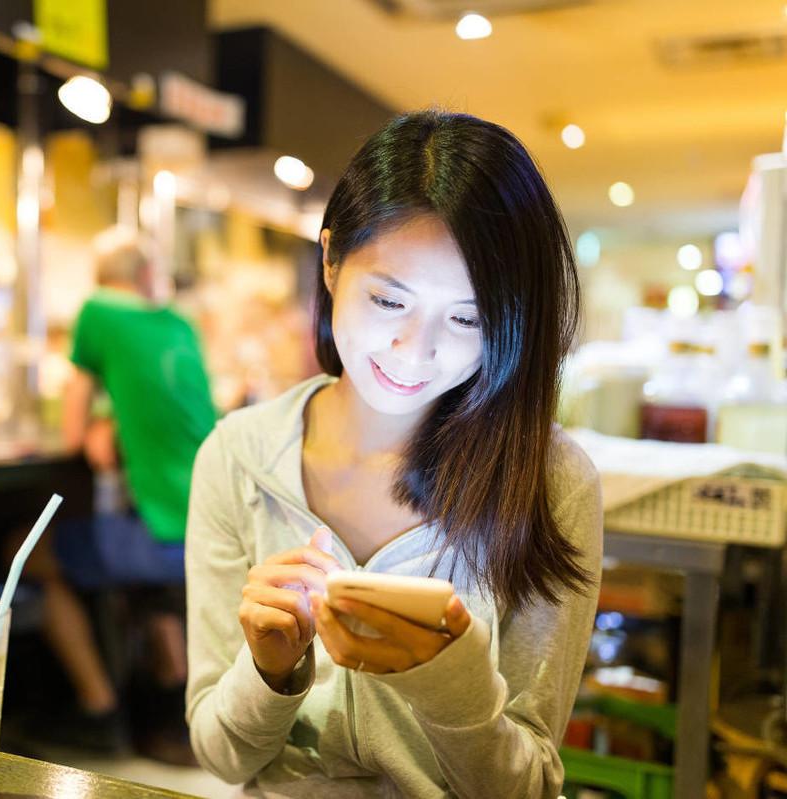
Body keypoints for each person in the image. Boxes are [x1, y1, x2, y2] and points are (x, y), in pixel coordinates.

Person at [185, 110, 603, 798]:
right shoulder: (239, 456)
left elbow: (527, 787)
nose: (416, 349)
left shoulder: (550, 481)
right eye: (388, 299)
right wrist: (267, 673)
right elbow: (222, 756)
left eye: (467, 317)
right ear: (329, 261)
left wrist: (456, 691)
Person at [42, 227, 217, 763]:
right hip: (210, 529)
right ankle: (170, 719)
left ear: (103, 279)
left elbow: (72, 435)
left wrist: (95, 419)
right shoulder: (180, 325)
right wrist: (111, 418)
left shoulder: (98, 312)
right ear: (146, 277)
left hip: (161, 538)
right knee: (145, 579)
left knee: (30, 559)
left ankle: (98, 714)